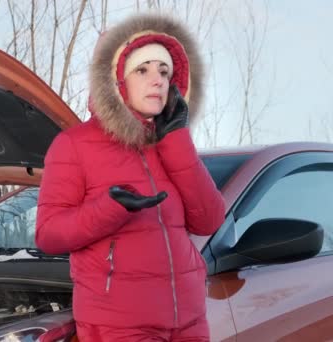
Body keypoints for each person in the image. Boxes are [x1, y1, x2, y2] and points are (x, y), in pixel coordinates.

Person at [35, 13, 226, 341]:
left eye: (164, 71)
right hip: (119, 324)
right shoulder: (74, 144)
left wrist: (176, 139)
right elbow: (48, 234)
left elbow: (209, 220)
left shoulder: (170, 142)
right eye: (143, 70)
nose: (158, 80)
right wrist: (110, 209)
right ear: (115, 80)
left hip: (190, 321)